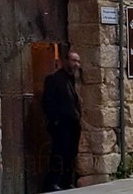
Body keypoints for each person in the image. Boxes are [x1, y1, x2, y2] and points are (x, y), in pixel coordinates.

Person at [42, 50, 82, 191]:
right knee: (59, 153)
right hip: (61, 125)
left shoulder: (73, 80)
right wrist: (55, 120)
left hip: (73, 124)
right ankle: (52, 182)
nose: (76, 64)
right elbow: (48, 101)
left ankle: (66, 181)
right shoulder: (54, 79)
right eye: (73, 60)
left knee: (71, 153)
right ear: (65, 61)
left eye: (77, 61)